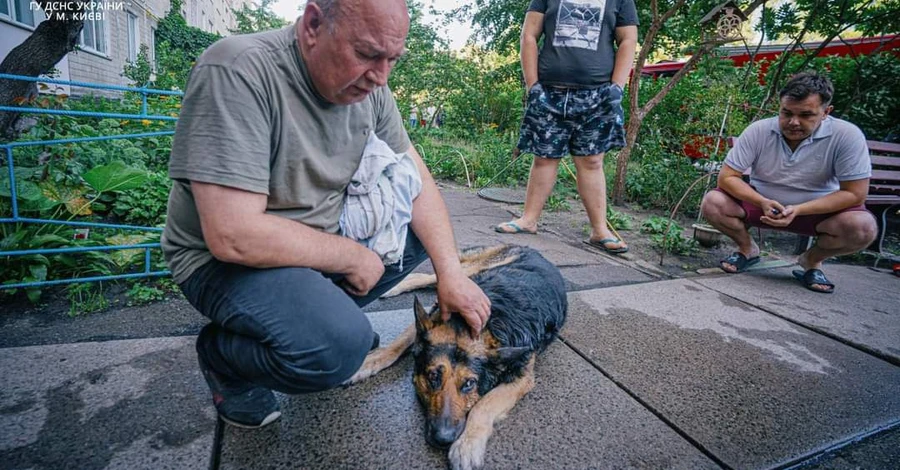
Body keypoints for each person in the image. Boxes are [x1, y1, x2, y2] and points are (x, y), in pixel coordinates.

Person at [161, 0, 490, 429]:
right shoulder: (237, 70)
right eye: (368, 54)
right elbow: (232, 235)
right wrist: (351, 257)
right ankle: (226, 359)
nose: (381, 76)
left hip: (315, 241)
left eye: (392, 60)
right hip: (221, 262)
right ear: (313, 24)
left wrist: (450, 272)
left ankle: (321, 323)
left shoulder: (371, 90)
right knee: (336, 349)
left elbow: (418, 181)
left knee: (417, 238)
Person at [700, 72, 878, 294]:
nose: (793, 122)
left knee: (864, 228)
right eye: (786, 113)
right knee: (713, 202)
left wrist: (799, 210)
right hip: (761, 205)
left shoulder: (847, 136)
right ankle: (747, 249)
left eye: (806, 115)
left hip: (818, 212)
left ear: (826, 113)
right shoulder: (760, 130)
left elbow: (855, 194)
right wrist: (762, 201)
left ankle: (811, 261)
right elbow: (727, 177)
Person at [494, 0, 638, 255]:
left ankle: (599, 230)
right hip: (549, 92)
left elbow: (628, 40)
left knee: (592, 162)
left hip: (598, 94)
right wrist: (532, 86)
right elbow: (529, 35)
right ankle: (528, 220)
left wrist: (617, 87)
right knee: (544, 158)